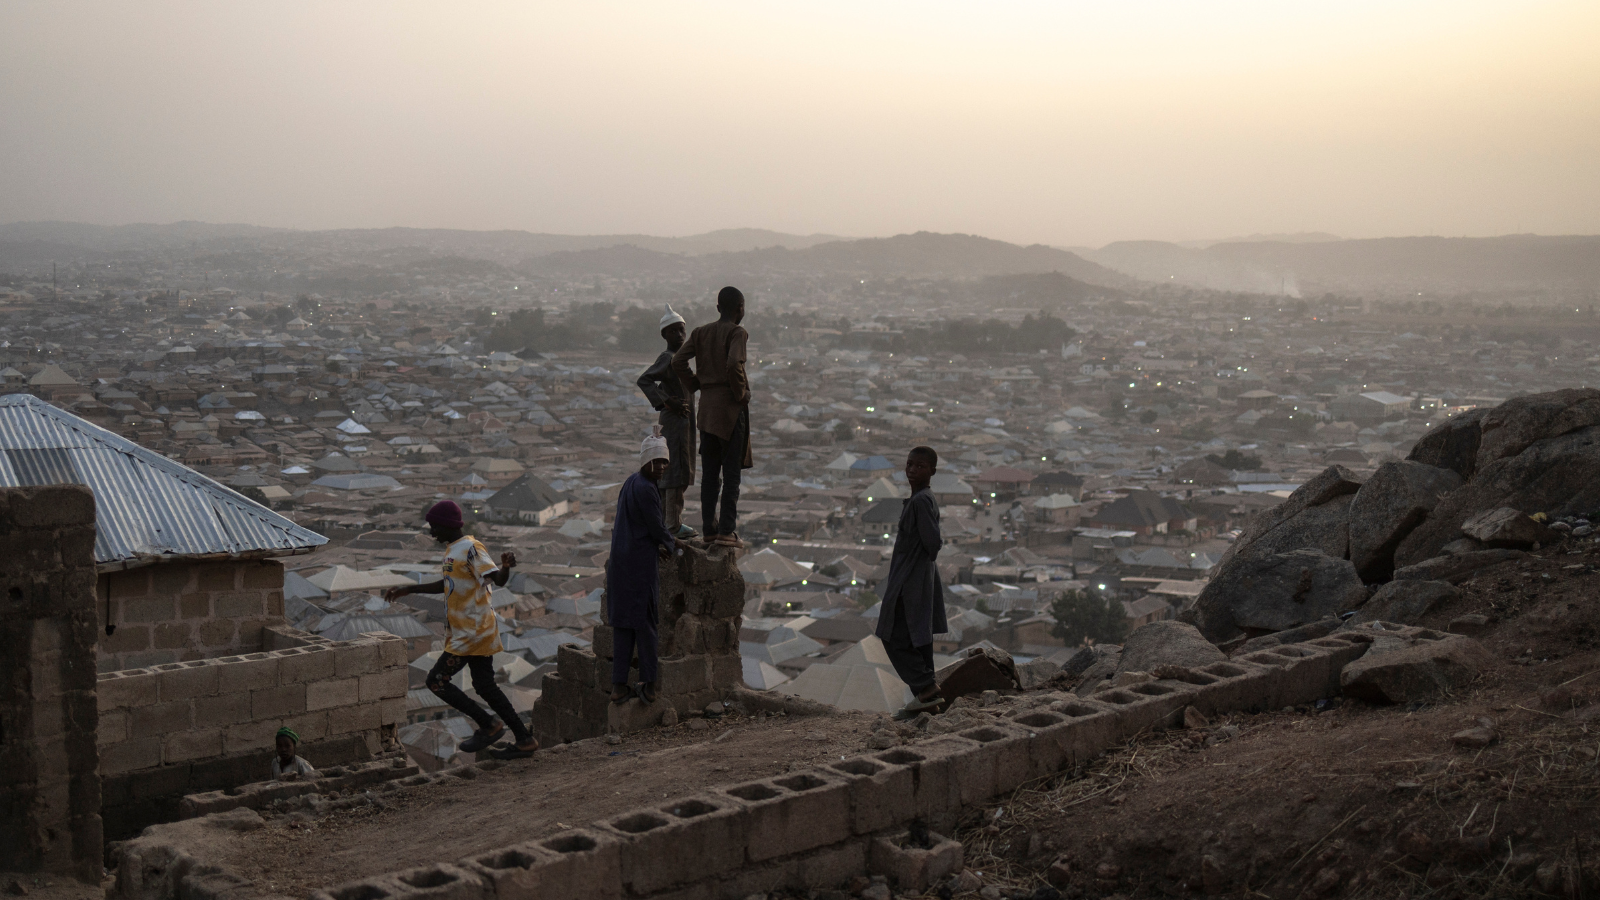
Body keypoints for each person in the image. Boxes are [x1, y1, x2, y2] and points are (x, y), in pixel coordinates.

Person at [384, 500, 539, 759]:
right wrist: (409, 589)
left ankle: (489, 725)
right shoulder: (452, 551)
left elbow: (496, 579)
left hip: (473, 632)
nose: (432, 533)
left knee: (436, 681)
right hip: (466, 631)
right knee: (485, 686)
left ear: (447, 525)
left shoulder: (471, 548)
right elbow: (447, 585)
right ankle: (523, 739)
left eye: (435, 527)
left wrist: (506, 567)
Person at [607, 429, 689, 704]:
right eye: (657, 462)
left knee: (623, 626)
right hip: (639, 567)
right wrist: (673, 545)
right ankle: (650, 686)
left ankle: (619, 685)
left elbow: (639, 525)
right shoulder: (646, 488)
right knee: (646, 624)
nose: (662, 467)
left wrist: (659, 542)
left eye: (664, 462)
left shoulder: (631, 483)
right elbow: (656, 525)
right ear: (646, 463)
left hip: (621, 563)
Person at [671, 286, 752, 547]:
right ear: (740, 307)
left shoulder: (700, 332)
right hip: (729, 410)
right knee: (731, 476)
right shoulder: (737, 332)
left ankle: (709, 529)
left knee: (710, 476)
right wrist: (740, 393)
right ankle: (727, 531)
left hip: (706, 410)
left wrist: (696, 384)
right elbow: (732, 364)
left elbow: (678, 361)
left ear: (718, 308)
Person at [873, 446, 949, 721]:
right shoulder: (922, 498)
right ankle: (927, 702)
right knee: (919, 636)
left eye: (920, 466)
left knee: (892, 634)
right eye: (909, 465)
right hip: (918, 577)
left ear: (932, 471)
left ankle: (925, 686)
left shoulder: (919, 502)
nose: (913, 470)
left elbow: (933, 543)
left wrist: (914, 564)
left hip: (910, 580)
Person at [635, 304, 698, 538]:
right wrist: (667, 401)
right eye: (673, 331)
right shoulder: (668, 358)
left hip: (685, 423)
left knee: (679, 469)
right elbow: (645, 380)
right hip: (675, 422)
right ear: (664, 335)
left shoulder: (680, 359)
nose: (679, 335)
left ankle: (664, 522)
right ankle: (673, 524)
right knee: (674, 472)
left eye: (682, 330)